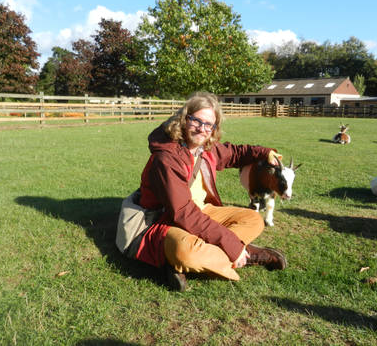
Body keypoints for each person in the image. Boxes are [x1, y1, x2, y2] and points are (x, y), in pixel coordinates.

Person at [116, 92, 287, 291]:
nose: (202, 129)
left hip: (201, 212)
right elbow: (182, 212)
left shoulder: (206, 148)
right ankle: (246, 254)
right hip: (164, 221)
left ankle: (189, 262)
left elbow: (235, 153)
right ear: (184, 118)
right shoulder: (167, 158)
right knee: (186, 253)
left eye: (209, 124)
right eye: (196, 120)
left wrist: (265, 152)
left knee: (254, 219)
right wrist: (232, 245)